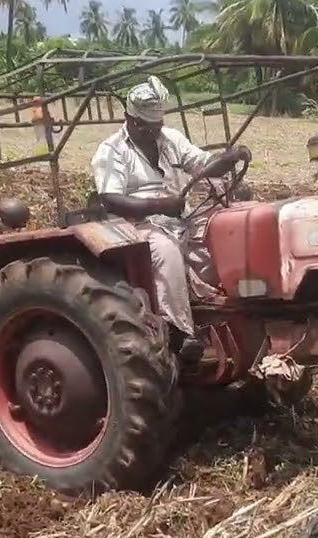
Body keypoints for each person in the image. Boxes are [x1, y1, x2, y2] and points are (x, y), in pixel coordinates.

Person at [90, 75, 251, 363]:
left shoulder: (171, 139)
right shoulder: (111, 150)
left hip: (179, 217)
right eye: (145, 126)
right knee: (165, 251)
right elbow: (110, 199)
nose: (153, 132)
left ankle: (226, 311)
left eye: (157, 126)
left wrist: (230, 158)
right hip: (134, 226)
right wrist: (159, 205)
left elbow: (203, 165)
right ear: (129, 118)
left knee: (218, 237)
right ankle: (181, 333)